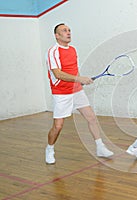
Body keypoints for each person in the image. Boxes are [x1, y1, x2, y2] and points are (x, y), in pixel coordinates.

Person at [45, 23, 114, 164]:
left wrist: (80, 80)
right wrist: (78, 79)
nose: (68, 32)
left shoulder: (72, 50)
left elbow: (73, 70)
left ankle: (100, 147)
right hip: (61, 93)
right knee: (58, 126)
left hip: (76, 90)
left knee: (91, 118)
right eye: (64, 31)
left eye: (69, 30)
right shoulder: (53, 51)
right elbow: (58, 74)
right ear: (57, 35)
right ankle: (50, 149)